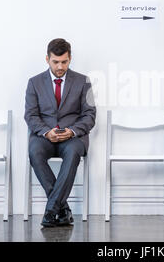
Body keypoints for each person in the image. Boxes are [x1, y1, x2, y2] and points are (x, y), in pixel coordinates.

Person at [24, 38, 96, 227]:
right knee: (34, 152)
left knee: (72, 153)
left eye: (64, 61)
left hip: (72, 138)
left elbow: (89, 115)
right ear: (47, 59)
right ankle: (61, 209)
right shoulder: (34, 83)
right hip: (44, 137)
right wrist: (46, 132)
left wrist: (72, 131)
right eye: (56, 62)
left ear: (70, 59)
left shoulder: (83, 82)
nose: (60, 66)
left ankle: (51, 210)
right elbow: (31, 116)